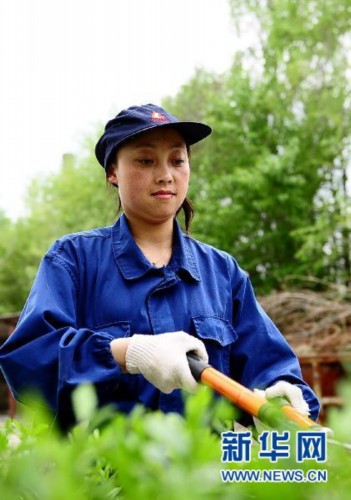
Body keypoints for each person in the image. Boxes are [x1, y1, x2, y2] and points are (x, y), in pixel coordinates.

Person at [0, 104, 319, 431]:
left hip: (201, 475)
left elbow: (269, 364)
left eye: (177, 160)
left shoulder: (223, 274)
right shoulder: (72, 260)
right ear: (113, 172)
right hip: (98, 478)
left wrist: (281, 392)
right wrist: (126, 353)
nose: (166, 174)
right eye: (145, 160)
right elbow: (26, 363)